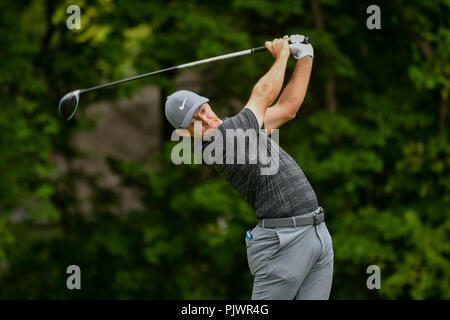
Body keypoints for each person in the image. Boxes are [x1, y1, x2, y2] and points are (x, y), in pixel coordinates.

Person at [164, 35, 334, 300]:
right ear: (186, 133)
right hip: (282, 243)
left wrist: (305, 55)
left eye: (203, 109)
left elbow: (287, 109)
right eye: (194, 120)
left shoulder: (238, 128)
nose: (206, 119)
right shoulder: (221, 141)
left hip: (315, 231)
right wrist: (282, 56)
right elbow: (263, 95)